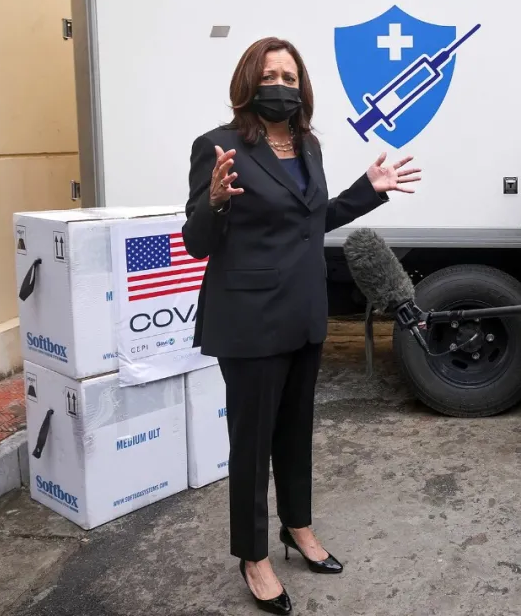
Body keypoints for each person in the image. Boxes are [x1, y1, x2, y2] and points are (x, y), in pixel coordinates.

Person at [182, 37, 421, 614]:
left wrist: (367, 192)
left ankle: (298, 526)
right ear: (248, 82)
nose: (281, 85)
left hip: (303, 311)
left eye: (290, 77)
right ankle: (252, 555)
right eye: (270, 75)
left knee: (294, 433)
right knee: (252, 444)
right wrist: (214, 201)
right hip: (250, 320)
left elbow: (312, 220)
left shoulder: (308, 143)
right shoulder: (218, 146)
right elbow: (196, 242)